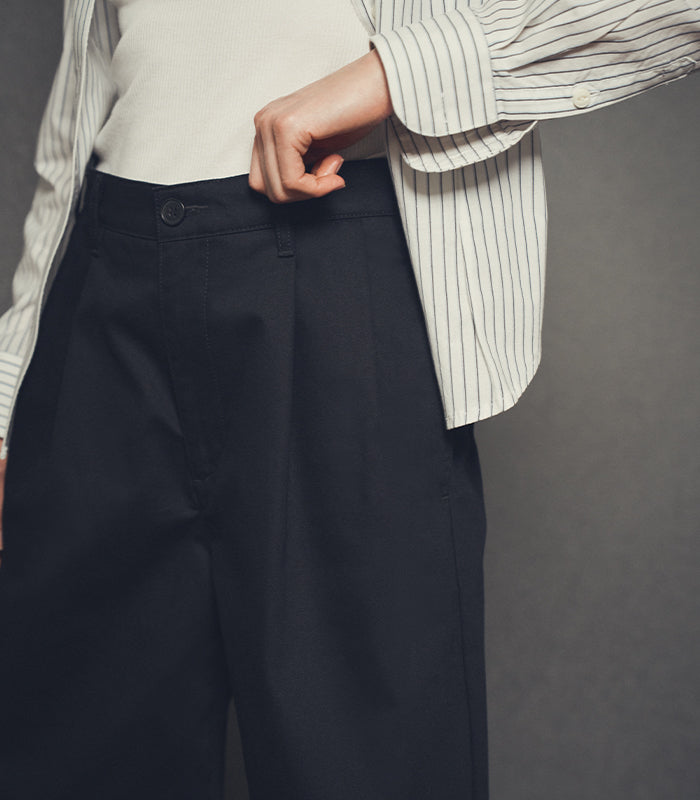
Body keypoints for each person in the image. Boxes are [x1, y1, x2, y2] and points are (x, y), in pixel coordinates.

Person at [0, 1, 698, 798]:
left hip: (343, 283)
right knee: (74, 757)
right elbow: (75, 128)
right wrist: (7, 393)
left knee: (365, 767)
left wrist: (396, 73)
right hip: (101, 302)